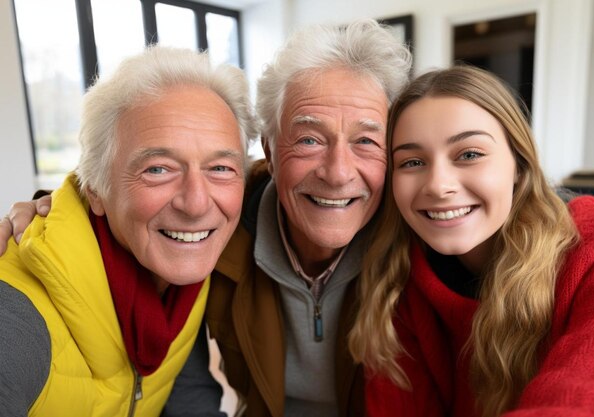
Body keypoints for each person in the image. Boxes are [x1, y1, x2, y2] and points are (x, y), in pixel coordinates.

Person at [0, 19, 411, 417]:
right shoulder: (215, 238)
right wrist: (50, 209)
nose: (196, 204)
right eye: (308, 139)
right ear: (268, 152)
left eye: (365, 141)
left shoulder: (419, 239)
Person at [348, 66, 594, 417]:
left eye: (469, 154)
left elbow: (585, 404)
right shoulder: (396, 282)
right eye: (413, 161)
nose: (438, 185)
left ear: (520, 166)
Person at [0, 45, 257, 416]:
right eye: (158, 169)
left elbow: (190, 405)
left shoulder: (181, 280)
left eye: (220, 168)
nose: (198, 203)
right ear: (96, 190)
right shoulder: (16, 310)